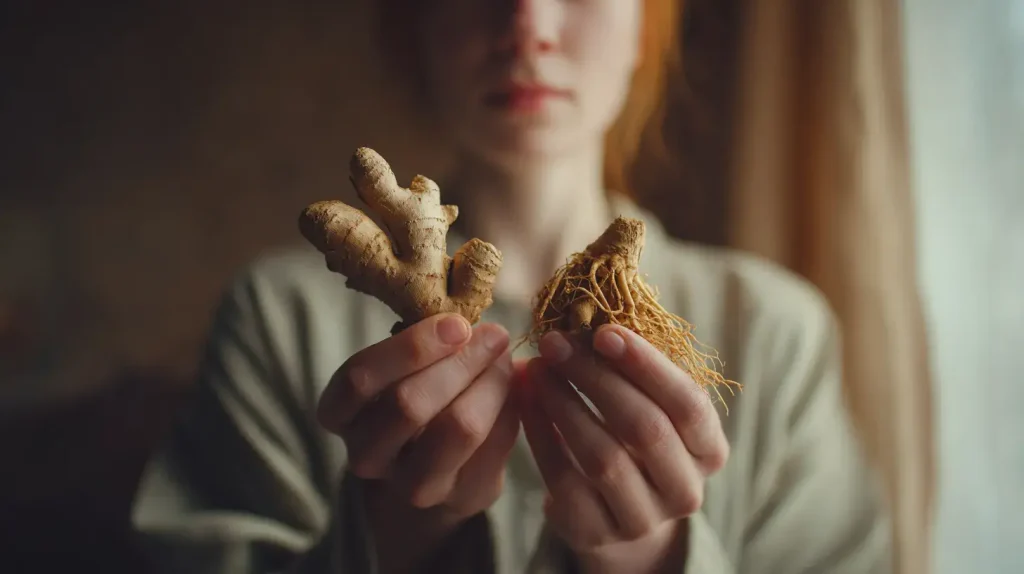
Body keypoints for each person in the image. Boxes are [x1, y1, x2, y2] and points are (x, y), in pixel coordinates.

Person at [131, 0, 892, 572]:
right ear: (414, 26)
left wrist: (659, 557)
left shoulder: (777, 329)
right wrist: (389, 534)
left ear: (647, 25)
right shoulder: (277, 318)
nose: (528, 22)